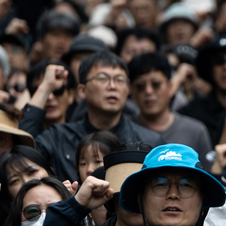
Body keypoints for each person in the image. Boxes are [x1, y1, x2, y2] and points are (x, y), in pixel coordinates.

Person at [20, 56, 157, 181]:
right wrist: (46, 87)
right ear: (82, 90)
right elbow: (23, 153)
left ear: (127, 90)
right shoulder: (58, 137)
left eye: (120, 80)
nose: (112, 86)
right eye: (102, 78)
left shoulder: (148, 141)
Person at [126, 51, 213, 157]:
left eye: (156, 84)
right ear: (131, 91)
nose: (148, 91)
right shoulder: (124, 130)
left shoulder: (195, 131)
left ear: (170, 86)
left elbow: (207, 172)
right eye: (140, 86)